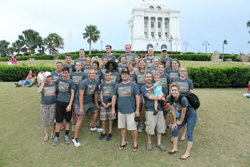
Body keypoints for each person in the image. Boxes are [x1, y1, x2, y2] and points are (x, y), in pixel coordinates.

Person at [112, 68, 140, 152]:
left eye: (126, 74)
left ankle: (135, 143)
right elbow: (114, 97)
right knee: (122, 127)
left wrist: (137, 110)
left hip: (131, 111)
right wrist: (113, 108)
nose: (124, 75)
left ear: (129, 75)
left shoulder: (134, 85)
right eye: (123, 74)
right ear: (121, 75)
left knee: (133, 128)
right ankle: (123, 141)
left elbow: (137, 97)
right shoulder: (117, 86)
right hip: (120, 111)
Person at [168, 82, 198, 160]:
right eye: (172, 90)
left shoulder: (183, 99)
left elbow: (184, 112)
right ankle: (175, 148)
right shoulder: (170, 98)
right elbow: (173, 111)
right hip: (183, 115)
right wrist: (175, 123)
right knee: (174, 129)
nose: (174, 92)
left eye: (175, 90)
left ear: (178, 91)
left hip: (191, 115)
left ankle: (187, 153)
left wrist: (180, 122)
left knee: (189, 133)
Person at [72, 68, 99, 147]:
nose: (92, 75)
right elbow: (80, 95)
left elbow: (96, 94)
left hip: (87, 102)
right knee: (80, 119)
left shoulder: (96, 82)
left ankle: (93, 127)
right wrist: (81, 108)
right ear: (88, 74)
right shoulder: (84, 82)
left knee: (96, 110)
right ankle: (75, 138)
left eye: (93, 73)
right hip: (79, 102)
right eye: (90, 73)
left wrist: (96, 104)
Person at [141, 72, 166, 151]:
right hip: (149, 109)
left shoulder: (156, 85)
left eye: (150, 77)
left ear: (152, 78)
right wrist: (159, 98)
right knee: (150, 126)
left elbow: (163, 93)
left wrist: (162, 96)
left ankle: (159, 143)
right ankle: (149, 142)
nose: (148, 78)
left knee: (160, 126)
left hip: (159, 109)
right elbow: (149, 97)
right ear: (145, 78)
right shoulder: (143, 88)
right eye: (147, 77)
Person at [53, 66, 75, 146]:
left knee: (68, 121)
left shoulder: (71, 82)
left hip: (67, 103)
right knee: (58, 120)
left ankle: (66, 136)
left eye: (66, 73)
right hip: (59, 102)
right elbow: (54, 81)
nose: (64, 74)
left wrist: (70, 105)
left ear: (68, 73)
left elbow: (72, 93)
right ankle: (57, 136)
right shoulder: (59, 80)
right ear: (61, 73)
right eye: (63, 73)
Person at [172, 67, 194, 141]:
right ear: (179, 72)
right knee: (176, 117)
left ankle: (183, 134)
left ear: (186, 72)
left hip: (185, 102)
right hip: (177, 102)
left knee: (185, 117)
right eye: (181, 71)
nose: (182, 72)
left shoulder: (189, 81)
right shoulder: (175, 80)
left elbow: (191, 92)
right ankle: (174, 134)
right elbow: (172, 90)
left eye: (184, 71)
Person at [37, 72, 57, 142]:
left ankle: (52, 132)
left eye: (50, 76)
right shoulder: (43, 84)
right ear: (45, 78)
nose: (49, 78)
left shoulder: (54, 84)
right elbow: (38, 91)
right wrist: (42, 83)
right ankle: (46, 134)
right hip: (44, 105)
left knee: (52, 119)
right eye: (47, 77)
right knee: (45, 119)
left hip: (53, 104)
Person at [99, 70, 116, 141]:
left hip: (110, 104)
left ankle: (110, 132)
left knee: (110, 119)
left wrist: (111, 103)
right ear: (104, 76)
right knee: (103, 119)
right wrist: (102, 102)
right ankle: (104, 131)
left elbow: (114, 95)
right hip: (103, 104)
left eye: (109, 75)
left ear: (111, 76)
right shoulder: (102, 84)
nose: (107, 77)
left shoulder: (113, 84)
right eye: (106, 76)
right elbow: (101, 93)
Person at [70, 61, 87, 132]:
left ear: (81, 66)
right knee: (73, 109)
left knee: (79, 108)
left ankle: (79, 122)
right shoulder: (72, 74)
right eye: (76, 65)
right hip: (73, 93)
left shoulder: (84, 74)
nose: (77, 66)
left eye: (79, 65)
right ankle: (74, 123)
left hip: (80, 94)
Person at [136, 59, 148, 133]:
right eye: (140, 63)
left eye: (143, 63)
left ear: (145, 64)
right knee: (139, 109)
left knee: (148, 109)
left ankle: (148, 123)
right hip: (139, 93)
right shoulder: (136, 73)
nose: (141, 64)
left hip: (146, 92)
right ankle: (141, 124)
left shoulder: (147, 72)